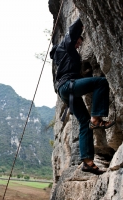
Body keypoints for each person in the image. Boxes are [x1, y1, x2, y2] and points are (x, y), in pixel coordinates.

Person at [51, 17, 115, 175]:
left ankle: (87, 162)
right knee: (101, 82)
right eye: (79, 41)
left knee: (84, 122)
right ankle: (97, 118)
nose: (80, 44)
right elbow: (72, 31)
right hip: (68, 87)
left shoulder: (63, 54)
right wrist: (84, 15)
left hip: (66, 91)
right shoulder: (66, 45)